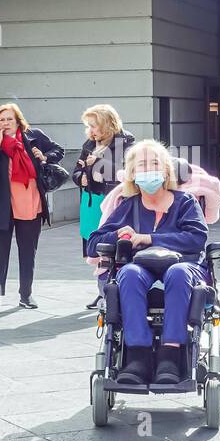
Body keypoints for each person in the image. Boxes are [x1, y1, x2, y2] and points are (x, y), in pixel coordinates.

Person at [86, 141, 208, 386]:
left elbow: (197, 238)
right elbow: (93, 243)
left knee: (178, 273)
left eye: (155, 163)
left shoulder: (185, 202)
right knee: (129, 273)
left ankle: (170, 357)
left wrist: (149, 238)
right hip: (140, 268)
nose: (149, 169)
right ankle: (137, 356)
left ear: (166, 171)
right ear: (132, 174)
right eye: (142, 164)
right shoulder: (127, 206)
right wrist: (119, 234)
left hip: (184, 265)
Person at [0, 103, 64, 313]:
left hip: (30, 203)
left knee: (28, 252)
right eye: (1, 119)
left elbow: (58, 150)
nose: (5, 123)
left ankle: (26, 294)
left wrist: (45, 157)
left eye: (9, 119)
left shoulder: (34, 136)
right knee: (0, 253)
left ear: (18, 120)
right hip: (3, 206)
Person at [72, 104, 135, 308]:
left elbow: (126, 173)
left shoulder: (126, 143)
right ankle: (102, 292)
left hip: (113, 202)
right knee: (94, 248)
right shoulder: (89, 144)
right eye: (88, 126)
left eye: (94, 125)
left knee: (110, 247)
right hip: (90, 201)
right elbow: (76, 170)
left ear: (107, 124)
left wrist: (100, 162)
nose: (90, 130)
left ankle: (111, 291)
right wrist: (80, 177)